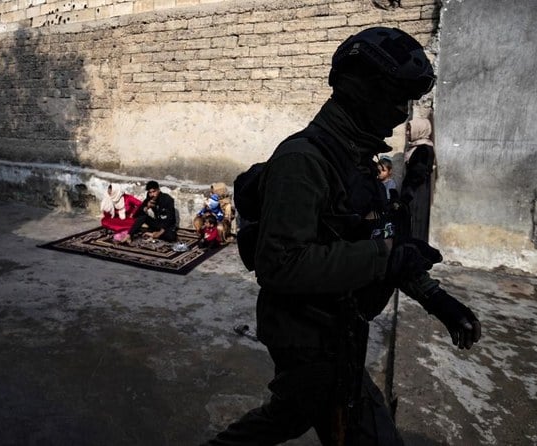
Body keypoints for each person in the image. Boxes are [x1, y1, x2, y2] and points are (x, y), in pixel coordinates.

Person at [202, 27, 481, 446]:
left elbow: (382, 244)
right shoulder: (303, 162)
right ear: (360, 89)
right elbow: (281, 264)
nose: (399, 114)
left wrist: (437, 300)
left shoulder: (357, 162)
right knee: (328, 425)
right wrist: (382, 255)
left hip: (340, 328)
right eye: (394, 98)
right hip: (304, 337)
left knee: (300, 419)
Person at [401, 117, 436, 242]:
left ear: (419, 131)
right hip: (415, 191)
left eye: (409, 130)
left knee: (415, 221)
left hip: (416, 192)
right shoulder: (417, 147)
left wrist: (407, 192)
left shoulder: (423, 149)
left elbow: (418, 173)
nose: (407, 133)